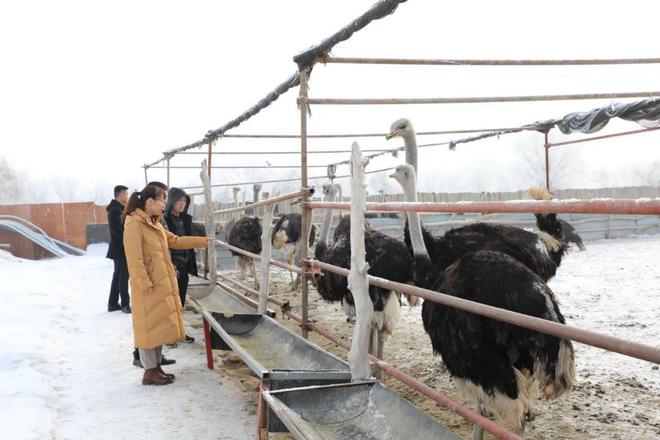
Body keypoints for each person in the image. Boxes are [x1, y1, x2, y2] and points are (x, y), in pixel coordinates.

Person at [123, 184, 212, 385]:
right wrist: (145, 284)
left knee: (158, 327)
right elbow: (134, 260)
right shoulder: (134, 225)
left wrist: (202, 241)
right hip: (149, 287)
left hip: (160, 284)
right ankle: (149, 371)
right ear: (149, 202)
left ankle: (155, 367)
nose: (164, 203)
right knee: (148, 327)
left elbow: (175, 240)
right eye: (162, 199)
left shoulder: (155, 224)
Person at [164, 187, 199, 344]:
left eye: (184, 201)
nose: (182, 204)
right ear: (172, 201)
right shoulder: (164, 220)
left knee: (181, 301)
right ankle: (169, 335)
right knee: (170, 303)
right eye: (179, 201)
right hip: (171, 264)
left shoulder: (185, 219)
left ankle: (180, 333)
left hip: (184, 264)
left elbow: (189, 241)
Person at [106, 185, 131, 313]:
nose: (127, 196)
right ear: (120, 195)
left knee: (118, 276)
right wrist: (129, 243)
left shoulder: (119, 209)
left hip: (119, 248)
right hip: (120, 249)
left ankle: (112, 303)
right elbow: (118, 232)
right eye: (126, 194)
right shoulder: (115, 210)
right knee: (123, 276)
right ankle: (125, 304)